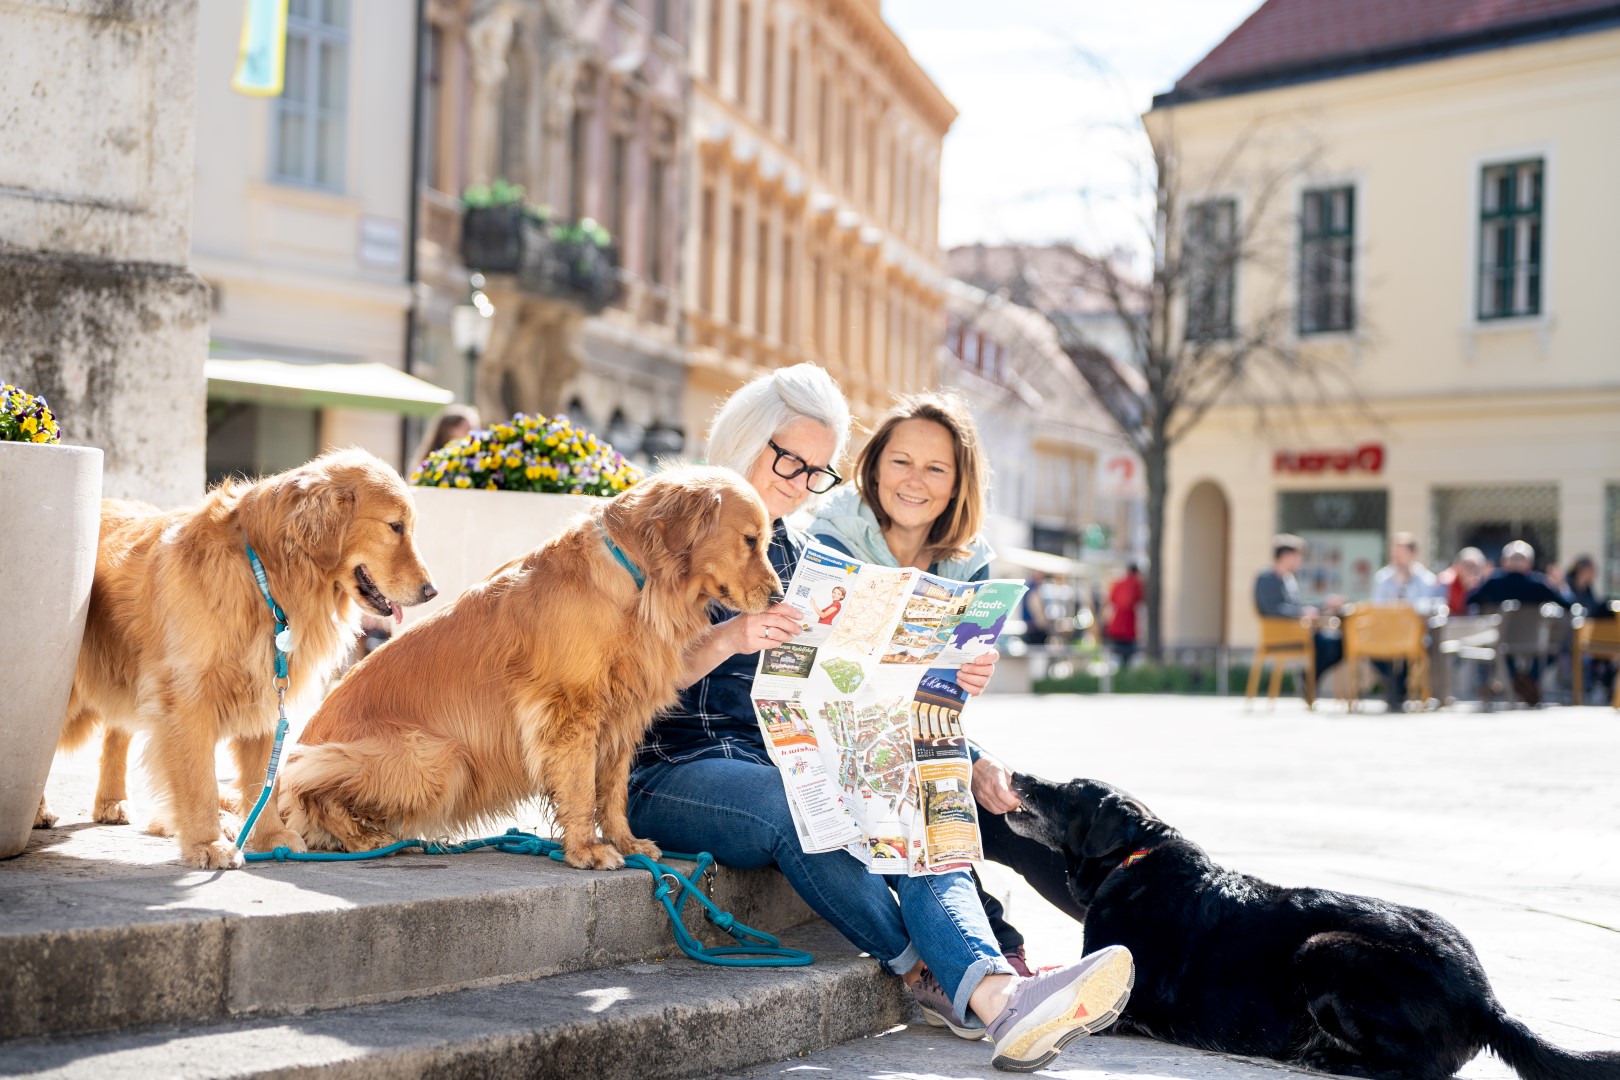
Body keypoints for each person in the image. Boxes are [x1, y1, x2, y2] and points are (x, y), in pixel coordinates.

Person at [628, 369, 1133, 1069]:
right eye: (788, 461)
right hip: (669, 771)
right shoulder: (664, 534)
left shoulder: (799, 558)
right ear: (745, 439)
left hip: (775, 753)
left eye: (814, 471)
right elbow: (618, 682)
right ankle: (927, 971)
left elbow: (853, 696)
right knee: (796, 804)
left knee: (915, 787)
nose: (800, 484)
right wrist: (728, 638)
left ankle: (996, 996)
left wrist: (945, 686)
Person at [807, 391, 1032, 978]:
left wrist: (971, 672)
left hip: (920, 738)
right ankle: (1000, 951)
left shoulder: (970, 560)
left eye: (936, 468)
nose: (915, 480)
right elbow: (825, 681)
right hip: (836, 739)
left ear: (958, 484)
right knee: (937, 798)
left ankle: (1128, 959)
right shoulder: (830, 537)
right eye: (901, 460)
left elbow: (942, 700)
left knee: (1010, 800)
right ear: (875, 464)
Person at [1464, 540, 1569, 706]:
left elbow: (1470, 600)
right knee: (1555, 646)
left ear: (1505, 562)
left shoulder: (1493, 582)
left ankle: (1517, 681)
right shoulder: (1539, 584)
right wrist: (1559, 584)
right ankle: (1529, 680)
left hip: (1497, 641)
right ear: (1529, 563)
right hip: (1533, 641)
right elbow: (1567, 603)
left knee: (1502, 647)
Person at [1253, 534, 1344, 698]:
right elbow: (1273, 609)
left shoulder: (1288, 580)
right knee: (1327, 644)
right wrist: (1302, 613)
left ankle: (1309, 680)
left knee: (1338, 644)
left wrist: (1323, 605)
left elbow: (1298, 605)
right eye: (1298, 557)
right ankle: (1307, 681)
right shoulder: (1266, 579)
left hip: (1299, 630)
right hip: (1280, 634)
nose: (1300, 562)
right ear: (1286, 556)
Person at [1368, 533, 1440, 710]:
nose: (1397, 556)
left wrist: (1405, 591)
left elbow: (1429, 606)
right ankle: (1396, 689)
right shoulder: (1384, 577)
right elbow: (1376, 606)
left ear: (1412, 554)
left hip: (1415, 635)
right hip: (1386, 634)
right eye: (1395, 552)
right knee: (1374, 654)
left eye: (1401, 552)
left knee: (1414, 654)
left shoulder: (1425, 579)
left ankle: (1398, 692)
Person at [1566, 555, 1616, 703]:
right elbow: (1574, 608)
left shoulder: (1588, 588)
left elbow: (1592, 609)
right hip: (1572, 631)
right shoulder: (1567, 585)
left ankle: (1607, 687)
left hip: (1590, 631)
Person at [412, 404, 481, 468]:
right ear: (449, 429)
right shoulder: (431, 461)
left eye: (473, 429)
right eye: (466, 429)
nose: (471, 434)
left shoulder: (476, 456)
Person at [1103, 564, 1143, 670]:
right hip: (1128, 626)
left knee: (1118, 656)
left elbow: (1112, 600)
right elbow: (1139, 599)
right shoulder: (1136, 583)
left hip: (1117, 625)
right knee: (1127, 657)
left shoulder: (1119, 583)